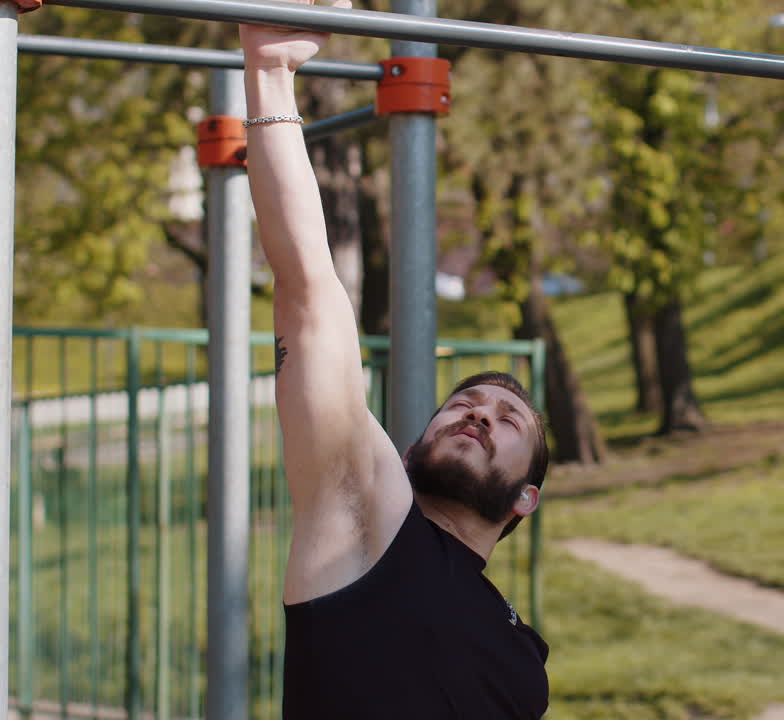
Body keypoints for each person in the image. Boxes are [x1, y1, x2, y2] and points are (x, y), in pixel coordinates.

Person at [239, 2, 551, 716]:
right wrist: (270, 72)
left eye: (508, 420)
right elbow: (308, 295)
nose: (479, 414)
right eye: (463, 405)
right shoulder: (367, 521)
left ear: (525, 499)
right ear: (410, 452)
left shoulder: (522, 652)